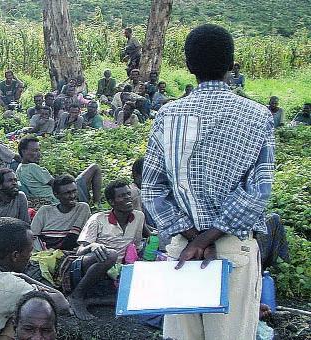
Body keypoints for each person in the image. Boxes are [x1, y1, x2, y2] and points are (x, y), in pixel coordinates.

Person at [142, 24, 275, 340]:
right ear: (232, 64)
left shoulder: (167, 114)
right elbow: (259, 191)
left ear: (188, 66)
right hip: (233, 248)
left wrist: (195, 240)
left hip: (182, 250)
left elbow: (151, 189)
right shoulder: (258, 115)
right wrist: (208, 239)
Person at [68, 179, 145, 320]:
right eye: (122, 196)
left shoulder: (139, 217)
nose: (128, 198)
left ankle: (91, 301)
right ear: (112, 202)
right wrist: (93, 245)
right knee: (111, 255)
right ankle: (76, 296)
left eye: (129, 194)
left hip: (118, 269)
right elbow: (80, 250)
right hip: (91, 263)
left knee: (139, 297)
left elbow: (137, 246)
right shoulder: (97, 219)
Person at [16, 136, 101, 205]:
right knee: (94, 168)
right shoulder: (32, 167)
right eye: (35, 150)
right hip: (57, 197)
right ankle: (97, 204)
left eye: (39, 150)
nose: (39, 154)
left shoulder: (19, 168)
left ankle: (90, 201)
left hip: (45, 197)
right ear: (23, 152)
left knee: (80, 178)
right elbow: (56, 184)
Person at [31, 175, 91, 251]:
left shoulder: (82, 208)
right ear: (56, 195)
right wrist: (45, 253)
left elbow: (75, 237)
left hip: (69, 251)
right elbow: (33, 236)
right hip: (44, 251)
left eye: (74, 191)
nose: (72, 196)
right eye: (67, 193)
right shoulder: (45, 211)